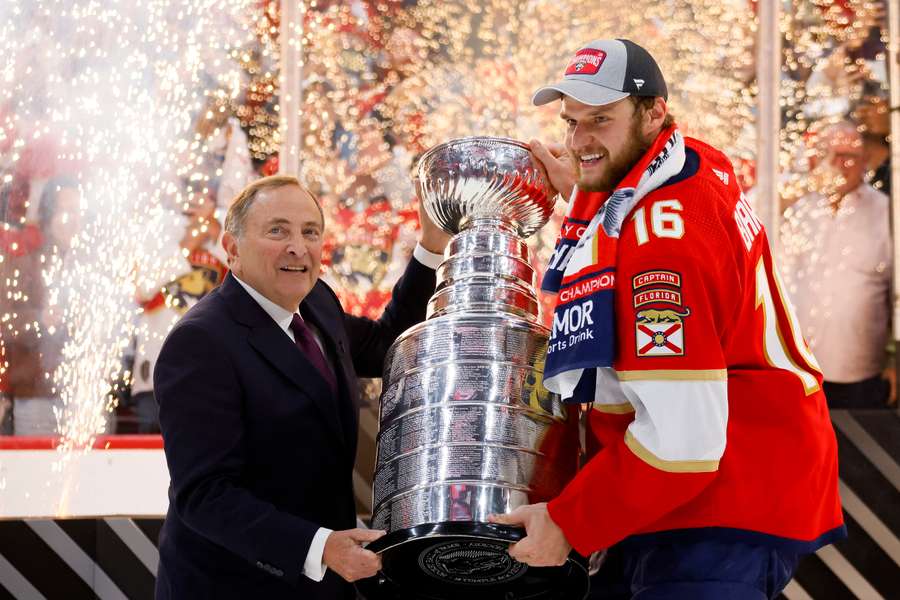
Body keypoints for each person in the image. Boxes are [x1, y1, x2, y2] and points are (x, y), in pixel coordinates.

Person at [489, 39, 846, 599]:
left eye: (600, 121)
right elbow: (624, 202)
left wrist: (568, 523)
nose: (580, 140)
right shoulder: (686, 161)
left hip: (715, 500)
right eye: (571, 122)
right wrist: (580, 192)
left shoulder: (660, 251)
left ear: (654, 111)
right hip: (713, 486)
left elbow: (683, 442)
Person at [153, 175, 449, 600]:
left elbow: (389, 346)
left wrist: (431, 246)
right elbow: (205, 496)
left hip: (321, 584)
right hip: (233, 586)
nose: (298, 246)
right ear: (231, 248)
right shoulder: (201, 342)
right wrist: (319, 547)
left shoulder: (316, 305)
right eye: (278, 230)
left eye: (310, 232)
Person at [780, 121, 894, 408]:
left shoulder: (886, 212)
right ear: (817, 159)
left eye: (850, 156)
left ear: (864, 162)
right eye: (831, 155)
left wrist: (896, 360)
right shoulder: (795, 207)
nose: (840, 164)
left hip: (860, 370)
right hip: (795, 367)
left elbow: (897, 291)